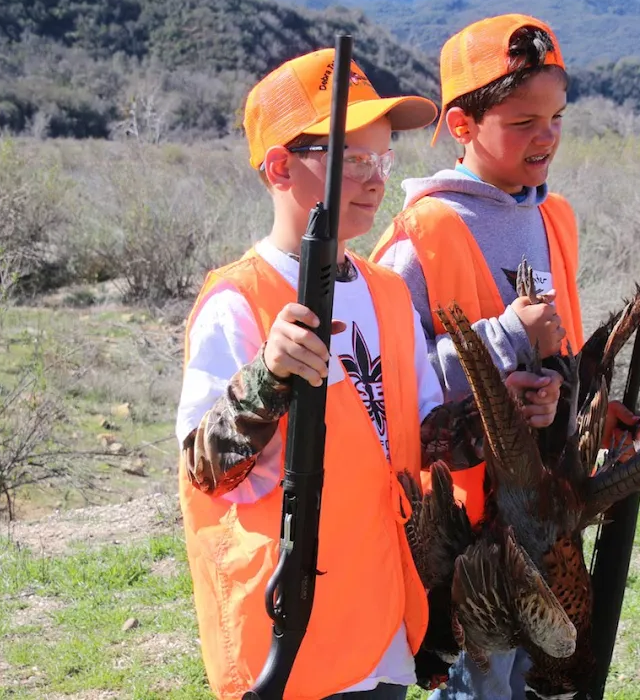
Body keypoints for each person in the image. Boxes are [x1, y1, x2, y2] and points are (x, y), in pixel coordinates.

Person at [175, 47, 564, 700]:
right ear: (279, 166)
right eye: (351, 158)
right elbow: (205, 468)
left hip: (381, 614)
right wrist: (269, 377)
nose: (375, 175)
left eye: (383, 157)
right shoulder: (239, 301)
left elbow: (419, 437)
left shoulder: (384, 292)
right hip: (287, 627)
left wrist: (504, 415)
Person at [371, 15, 640, 700]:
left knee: (548, 676)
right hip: (469, 534)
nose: (548, 135)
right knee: (483, 683)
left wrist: (594, 412)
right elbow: (388, 388)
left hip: (549, 512)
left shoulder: (554, 216)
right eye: (523, 121)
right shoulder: (422, 237)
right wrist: (500, 340)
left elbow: (561, 353)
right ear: (463, 126)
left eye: (557, 116)